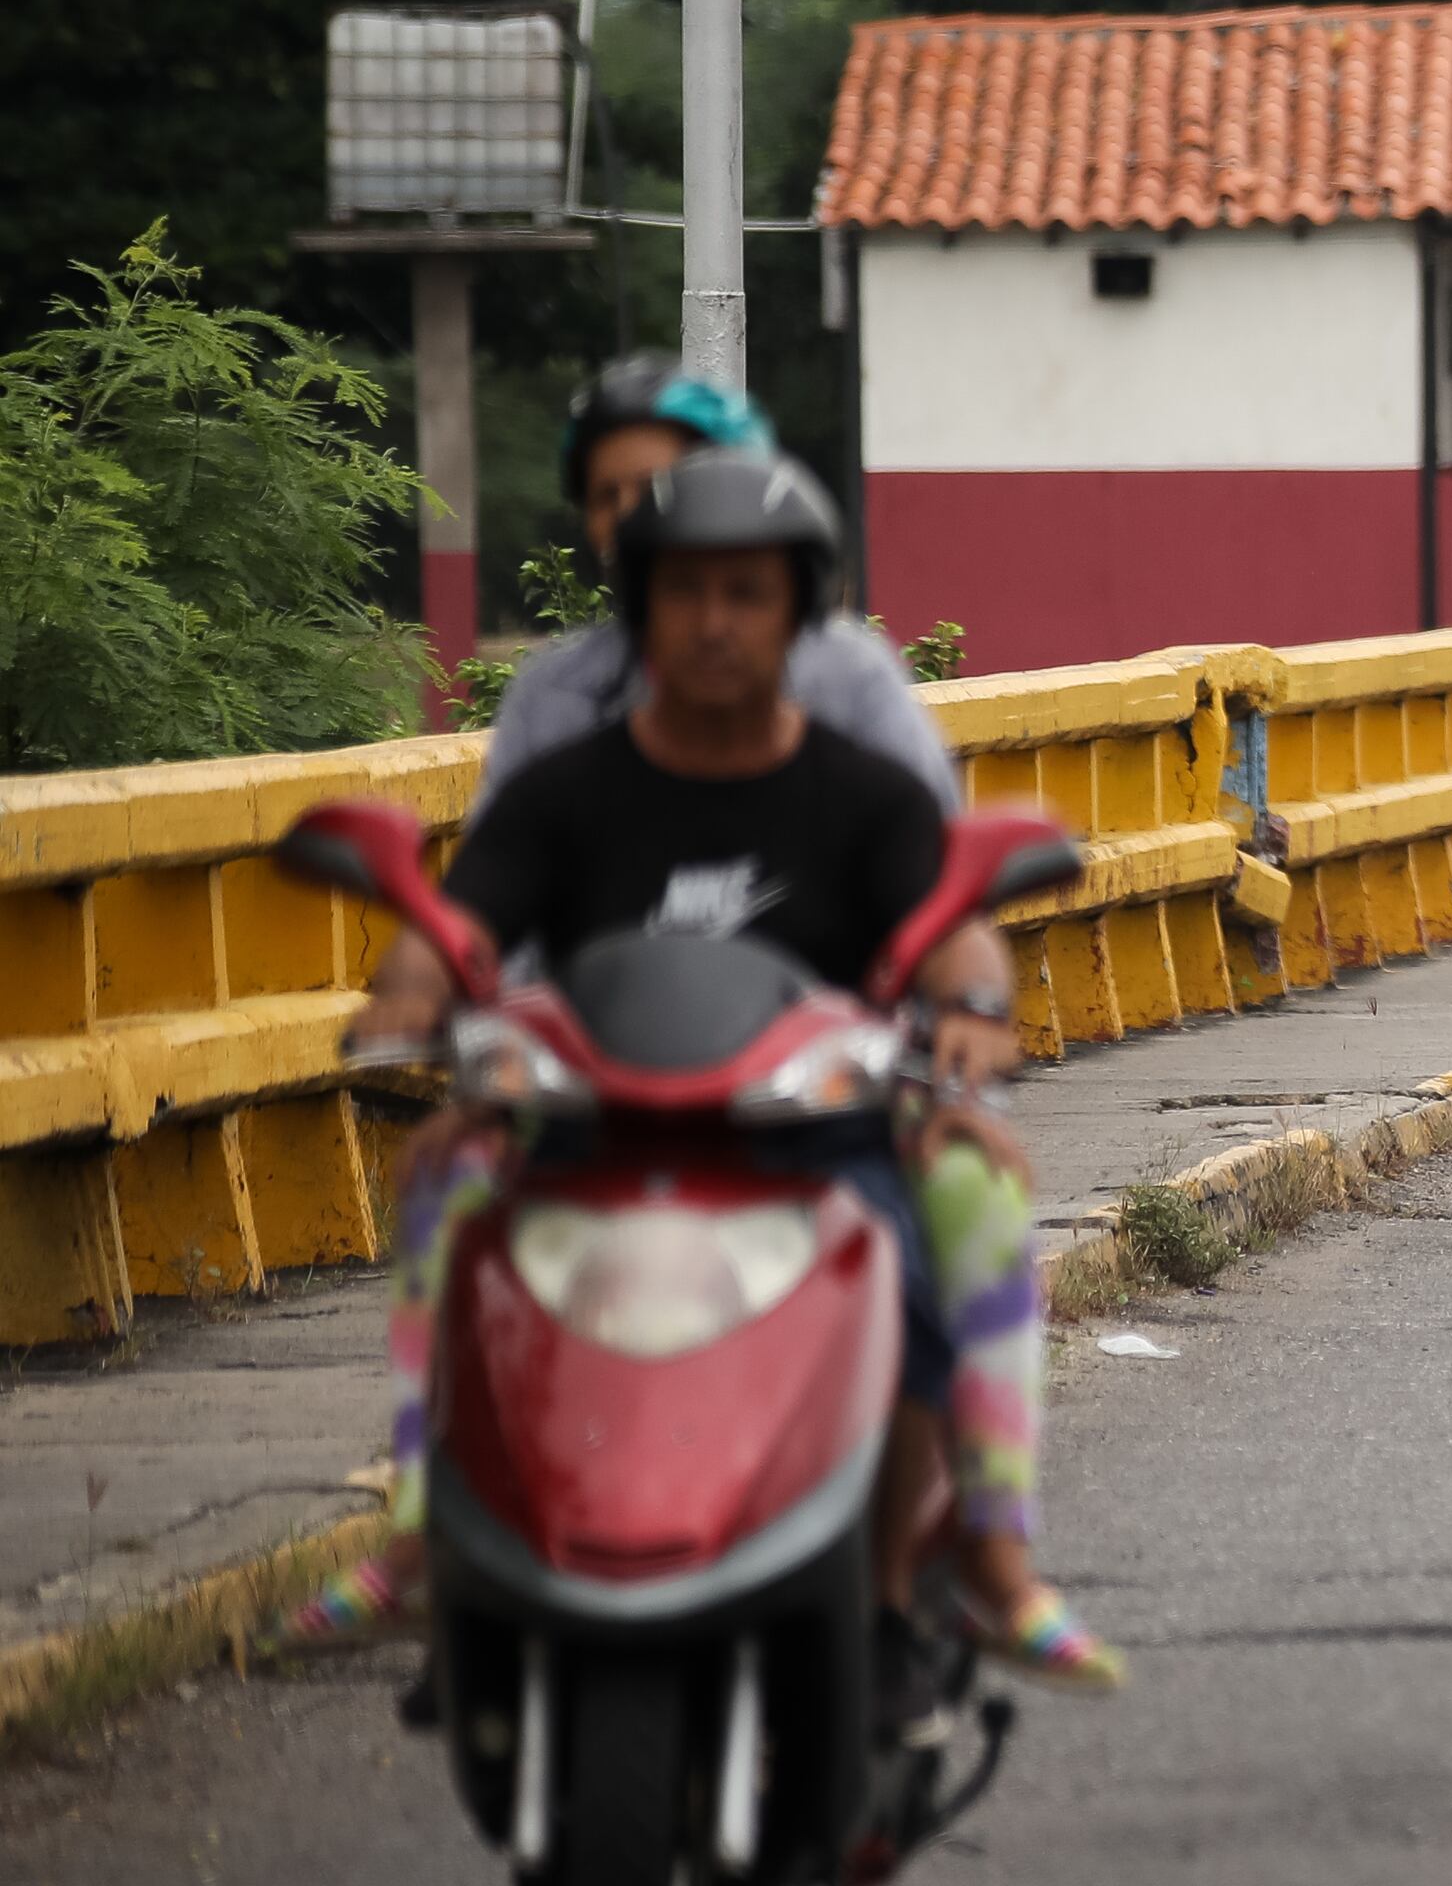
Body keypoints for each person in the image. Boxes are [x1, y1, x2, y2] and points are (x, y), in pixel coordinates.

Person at [310, 455, 1117, 1686]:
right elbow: (464, 920)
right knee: (446, 1183)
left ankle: (976, 1566)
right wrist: (411, 991)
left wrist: (973, 1015)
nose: (716, 622)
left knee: (975, 1199)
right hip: (591, 1136)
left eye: (748, 593)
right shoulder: (565, 793)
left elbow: (955, 927)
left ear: (800, 613)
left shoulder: (866, 796)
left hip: (813, 1138)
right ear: (639, 610)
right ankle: (428, 1531)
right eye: (685, 593)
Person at [487, 356, 962, 811]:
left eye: (656, 487)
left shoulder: (848, 678)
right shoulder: (556, 695)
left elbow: (931, 856)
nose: (629, 519)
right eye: (606, 497)